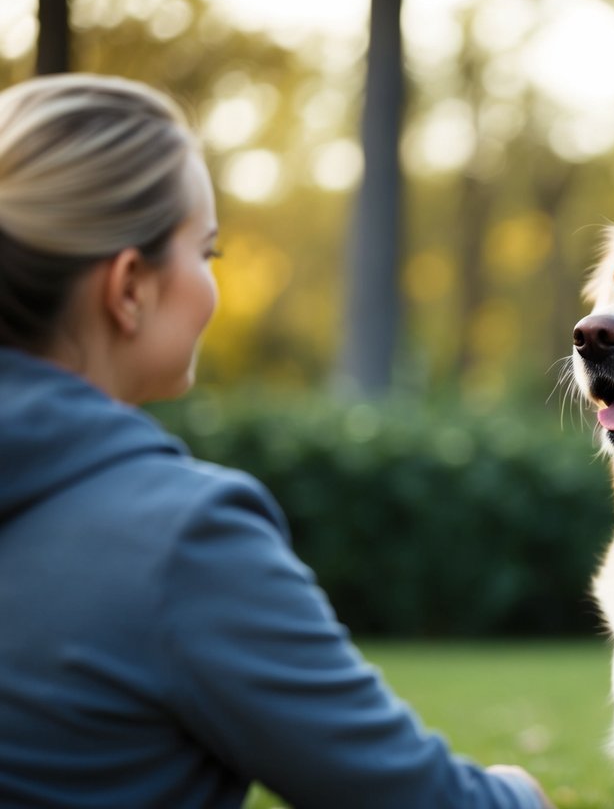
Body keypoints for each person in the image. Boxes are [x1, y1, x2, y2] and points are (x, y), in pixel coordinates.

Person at [0, 73, 552, 809]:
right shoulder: (181, 541)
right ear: (129, 286)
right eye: (207, 252)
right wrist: (517, 795)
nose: (210, 282)